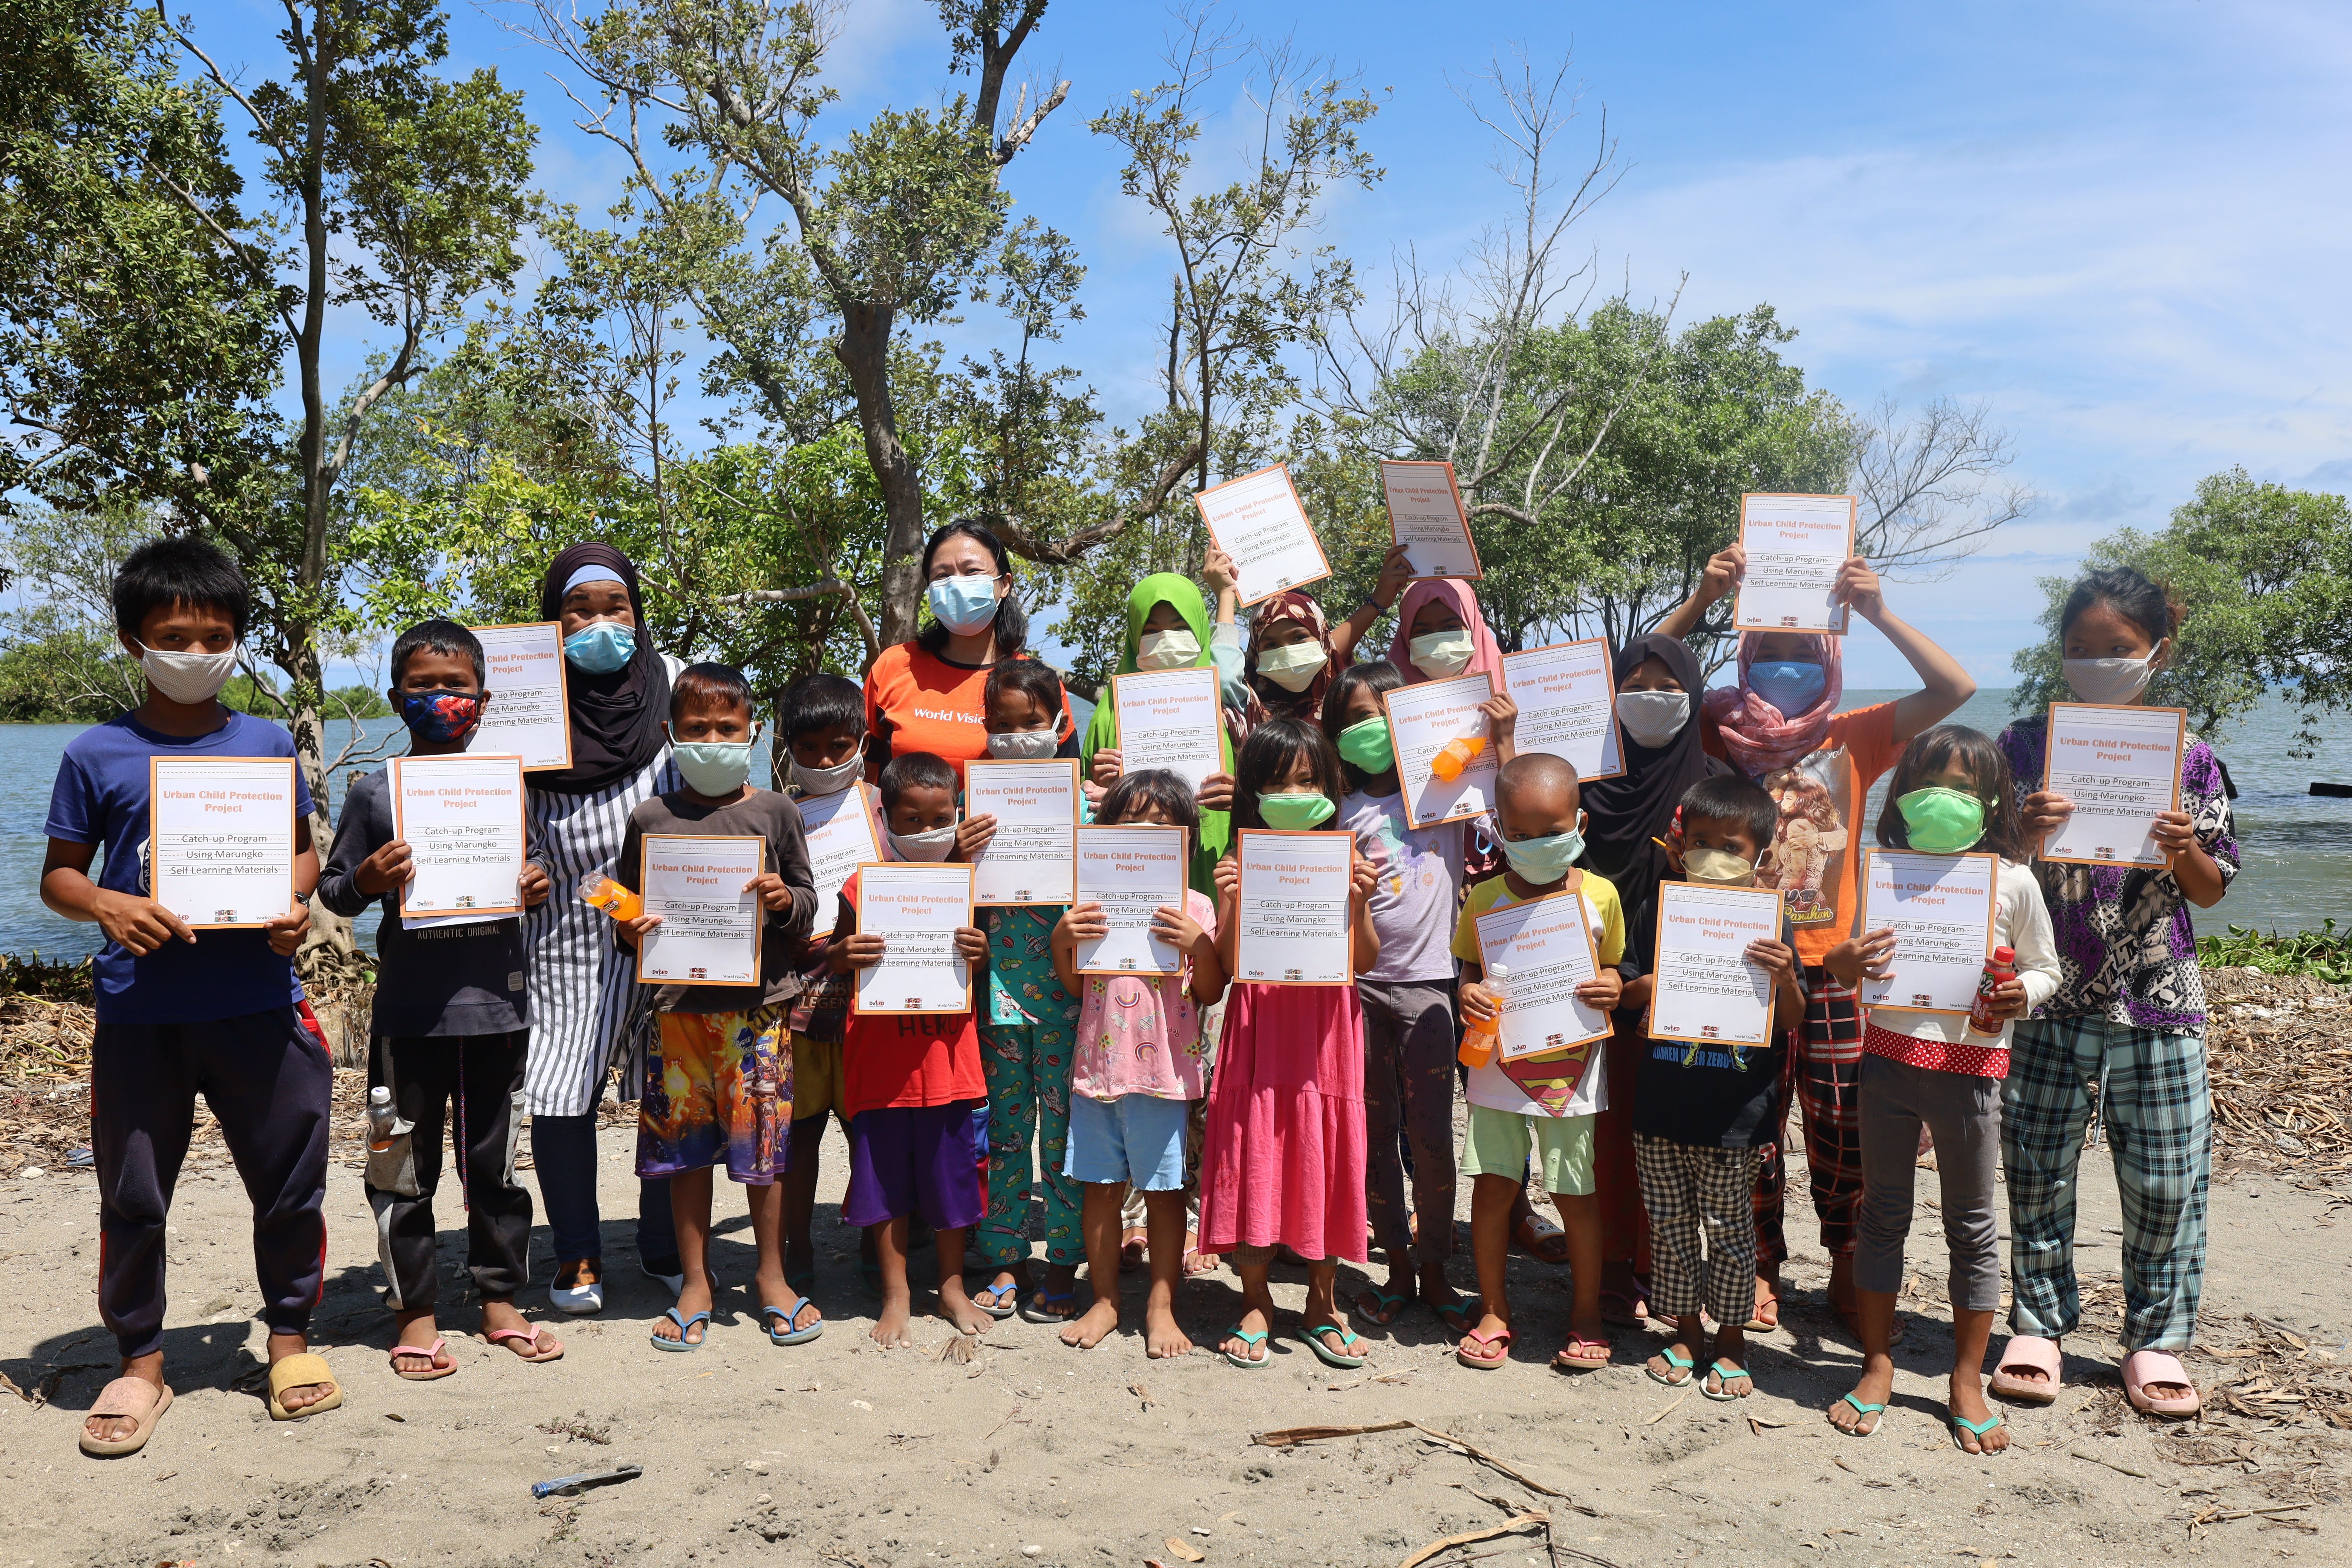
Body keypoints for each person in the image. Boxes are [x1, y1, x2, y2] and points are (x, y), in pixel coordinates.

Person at [42, 537, 337, 1453]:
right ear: (134, 642)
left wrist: (293, 903)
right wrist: (105, 902)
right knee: (134, 1194)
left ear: (237, 640)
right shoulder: (96, 753)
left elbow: (300, 851)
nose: (198, 650)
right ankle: (141, 1363)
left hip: (258, 1001)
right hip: (141, 1014)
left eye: (217, 635)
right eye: (176, 634)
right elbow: (59, 876)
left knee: (290, 1184)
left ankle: (288, 1340)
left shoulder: (263, 741)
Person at [1657, 546, 1975, 1337]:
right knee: (1752, 1121)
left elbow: (1955, 689)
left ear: (1829, 658)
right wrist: (1703, 596)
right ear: (1748, 656)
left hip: (1838, 963)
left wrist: (1875, 611)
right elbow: (1642, 675)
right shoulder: (1715, 728)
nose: (1789, 667)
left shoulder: (1855, 735)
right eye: (1774, 654)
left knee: (1840, 1119)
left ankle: (1842, 1260)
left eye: (1806, 653)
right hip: (1738, 956)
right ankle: (1759, 1262)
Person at [1989, 567, 2237, 1419]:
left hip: (2156, 992)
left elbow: (2209, 890)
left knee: (2168, 1176)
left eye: (2116, 650)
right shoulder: (2020, 747)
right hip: (2045, 987)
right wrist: (2022, 834)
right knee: (2034, 1164)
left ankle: (2155, 1339)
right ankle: (2037, 1322)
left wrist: (2177, 849)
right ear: (2058, 655)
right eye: (2079, 649)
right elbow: (1985, 876)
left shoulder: (2192, 758)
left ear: (2156, 655)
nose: (2096, 661)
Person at [317, 619, 559, 1380]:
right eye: (424, 686)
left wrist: (535, 882)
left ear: (482, 701)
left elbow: (533, 868)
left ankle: (497, 1301)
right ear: (397, 697)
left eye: (455, 687)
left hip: (499, 1007)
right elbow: (332, 891)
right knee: (403, 1166)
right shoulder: (370, 792)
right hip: (410, 1013)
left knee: (496, 1165)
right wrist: (369, 882)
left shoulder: (507, 785)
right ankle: (414, 1311)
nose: (441, 699)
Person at [1823, 725, 2060, 1450]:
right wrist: (1847, 958)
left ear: (1994, 802)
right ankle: (1878, 1363)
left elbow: (2046, 969)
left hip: (1972, 1074)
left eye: (1965, 787)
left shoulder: (2013, 881)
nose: (1946, 798)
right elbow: (1840, 963)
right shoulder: (1882, 872)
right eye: (1932, 783)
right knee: (1883, 1212)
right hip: (1887, 1063)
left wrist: (2022, 992)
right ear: (1903, 794)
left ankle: (1964, 1375)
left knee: (1973, 1225)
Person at [606, 663, 820, 1351]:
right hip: (677, 1013)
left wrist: (785, 902)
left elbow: (809, 904)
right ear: (671, 735)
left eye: (727, 728)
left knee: (765, 1149)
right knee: (684, 1152)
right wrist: (627, 928)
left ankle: (770, 1275)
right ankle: (696, 1279)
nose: (712, 740)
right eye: (696, 729)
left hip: (760, 1013)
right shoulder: (651, 819)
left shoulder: (776, 812)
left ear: (753, 733)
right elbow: (629, 913)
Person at [521, 544, 683, 1315]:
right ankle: (577, 1251)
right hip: (565, 926)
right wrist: (519, 866)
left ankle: (663, 1243)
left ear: (637, 614)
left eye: (613, 607)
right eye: (576, 610)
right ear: (552, 622)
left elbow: (716, 783)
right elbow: (495, 801)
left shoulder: (674, 682)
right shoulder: (524, 700)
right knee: (559, 1089)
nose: (597, 624)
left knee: (666, 1086)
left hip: (668, 923)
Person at [1199, 719, 1381, 1370]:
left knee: (1324, 1153)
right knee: (1255, 1149)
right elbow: (1219, 974)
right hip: (1257, 1029)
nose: (1294, 792)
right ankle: (1255, 1301)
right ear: (1253, 792)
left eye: (1308, 779)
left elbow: (1363, 957)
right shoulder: (1238, 862)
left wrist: (1358, 904)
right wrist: (1232, 908)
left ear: (1331, 786)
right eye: (1278, 782)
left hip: (1326, 1034)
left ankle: (1322, 1303)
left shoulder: (1348, 856)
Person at [1576, 633, 1732, 1331]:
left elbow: (1740, 874)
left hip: (1678, 975)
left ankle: (1657, 1265)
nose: (1651, 698)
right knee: (1605, 1129)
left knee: (1664, 1123)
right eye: (1634, 684)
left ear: (1695, 695)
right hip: (1587, 973)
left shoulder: (1714, 783)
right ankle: (1609, 1265)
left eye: (1670, 688)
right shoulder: (1585, 777)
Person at [1451, 753, 1626, 1373]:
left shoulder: (1601, 895)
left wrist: (1612, 986)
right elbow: (1469, 968)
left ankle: (1586, 1314)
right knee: (1495, 1185)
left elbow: (1612, 967)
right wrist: (1466, 991)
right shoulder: (1484, 899)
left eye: (1552, 831)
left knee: (1574, 1192)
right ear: (1498, 828)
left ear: (1579, 822)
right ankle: (1494, 1309)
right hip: (1497, 1065)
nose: (1535, 845)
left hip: (1572, 1068)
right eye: (1519, 835)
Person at [1633, 774, 1803, 1403]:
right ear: (1680, 845)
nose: (1715, 856)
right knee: (1671, 1227)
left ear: (1761, 855)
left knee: (1731, 1230)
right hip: (1661, 1107)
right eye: (1701, 841)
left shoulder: (1773, 924)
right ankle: (1685, 1334)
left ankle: (1731, 1340)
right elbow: (1625, 992)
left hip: (1737, 1113)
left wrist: (1786, 979)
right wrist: (1648, 987)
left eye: (1732, 846)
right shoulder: (1657, 907)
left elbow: (1792, 1021)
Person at [1050, 769, 1228, 1356]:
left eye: (1164, 823)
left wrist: (1199, 944)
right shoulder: (1089, 905)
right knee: (1099, 1190)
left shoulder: (1196, 906)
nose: (1148, 832)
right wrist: (1061, 940)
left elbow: (1209, 990)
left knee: (1165, 1192)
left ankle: (1161, 1303)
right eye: (1133, 821)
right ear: (1107, 833)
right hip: (1095, 1076)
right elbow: (1076, 988)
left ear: (1188, 838)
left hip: (1164, 1079)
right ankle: (1104, 1299)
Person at [1323, 661, 1475, 1333]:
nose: (1370, 726)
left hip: (1432, 990)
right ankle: (1397, 1269)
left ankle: (1438, 1267)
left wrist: (1501, 733)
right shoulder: (1335, 811)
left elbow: (1508, 790)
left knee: (1433, 1138)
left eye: (1384, 710)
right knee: (1374, 1137)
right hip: (1356, 994)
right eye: (1354, 717)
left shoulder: (1448, 794)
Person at [827, 752, 996, 1346]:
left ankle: (950, 1286)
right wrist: (842, 957)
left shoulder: (974, 887)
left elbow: (984, 970)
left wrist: (981, 955)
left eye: (940, 818)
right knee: (885, 1187)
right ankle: (896, 1293)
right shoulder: (860, 886)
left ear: (958, 813)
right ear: (884, 816)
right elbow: (837, 958)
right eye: (911, 819)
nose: (927, 831)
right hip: (881, 1071)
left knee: (951, 1186)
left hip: (950, 1069)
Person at [963, 660, 1087, 1325]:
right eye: (1002, 725)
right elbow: (934, 901)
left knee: (1065, 1137)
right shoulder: (968, 812)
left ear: (1060, 724)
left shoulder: (1090, 805)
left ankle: (1063, 1263)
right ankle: (1006, 1260)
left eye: (1031, 724)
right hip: (997, 999)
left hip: (1070, 1000)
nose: (1016, 736)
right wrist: (956, 855)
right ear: (984, 729)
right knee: (1007, 1137)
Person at [776, 672, 868, 1302]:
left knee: (870, 1133)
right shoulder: (771, 816)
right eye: (809, 750)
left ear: (864, 738)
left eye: (840, 745)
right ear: (786, 748)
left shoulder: (889, 809)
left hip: (871, 1005)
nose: (826, 761)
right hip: (798, 1005)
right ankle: (797, 1246)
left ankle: (876, 1241)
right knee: (800, 1133)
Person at [863, 518, 1073, 779]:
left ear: (1005, 584)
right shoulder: (893, 666)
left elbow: (1067, 782)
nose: (956, 584)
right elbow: (862, 775)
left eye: (972, 571)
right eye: (942, 575)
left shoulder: (1038, 681)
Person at [1081, 572, 1237, 893]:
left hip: (1215, 859)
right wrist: (1099, 784)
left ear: (1199, 630)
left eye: (1181, 628)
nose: (1166, 638)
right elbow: (1084, 799)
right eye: (1151, 631)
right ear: (1133, 636)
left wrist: (1241, 798)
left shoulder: (1231, 707)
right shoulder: (1109, 711)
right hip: (1128, 868)